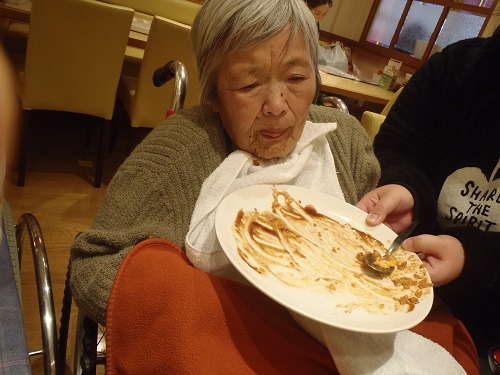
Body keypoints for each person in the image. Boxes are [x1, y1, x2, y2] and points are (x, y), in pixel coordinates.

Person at [71, 0, 479, 373]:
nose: (278, 105)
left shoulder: (345, 139)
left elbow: (373, 253)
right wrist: (235, 312)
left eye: (297, 77)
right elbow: (93, 266)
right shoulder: (180, 150)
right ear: (213, 93)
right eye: (249, 86)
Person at [356, 24, 500, 359]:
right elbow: (396, 145)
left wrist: (474, 258)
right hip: (396, 280)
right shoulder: (458, 67)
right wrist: (408, 188)